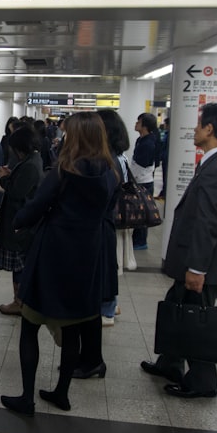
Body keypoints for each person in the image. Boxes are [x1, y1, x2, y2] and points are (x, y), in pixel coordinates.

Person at [0, 112, 118, 416]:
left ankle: (26, 397)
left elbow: (37, 205)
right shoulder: (109, 172)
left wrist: (18, 222)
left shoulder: (64, 171)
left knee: (30, 325)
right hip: (87, 256)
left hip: (52, 255)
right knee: (74, 329)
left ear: (75, 136)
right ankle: (61, 393)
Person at [141, 103, 217, 399]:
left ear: (210, 129)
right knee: (177, 304)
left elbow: (208, 223)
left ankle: (202, 381)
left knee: (199, 319)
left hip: (204, 264)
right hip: (198, 260)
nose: (195, 130)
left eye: (199, 125)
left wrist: (197, 269)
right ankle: (170, 362)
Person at [0, 124, 43, 317]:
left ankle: (20, 302)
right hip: (23, 221)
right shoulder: (34, 160)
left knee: (19, 265)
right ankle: (20, 300)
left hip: (19, 222)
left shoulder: (30, 165)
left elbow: (16, 192)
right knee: (21, 264)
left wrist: (5, 178)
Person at [97, 109, 133, 326]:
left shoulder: (108, 160)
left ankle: (108, 308)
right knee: (110, 263)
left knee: (108, 264)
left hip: (106, 220)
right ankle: (111, 304)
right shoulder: (117, 156)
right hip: (110, 218)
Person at [130, 113, 159, 251]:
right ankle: (137, 239)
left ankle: (141, 241)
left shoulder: (148, 143)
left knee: (142, 211)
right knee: (137, 210)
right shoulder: (141, 140)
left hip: (143, 181)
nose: (136, 124)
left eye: (138, 122)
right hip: (139, 179)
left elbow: (144, 165)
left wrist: (131, 178)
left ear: (145, 125)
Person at [157, 118, 169, 200]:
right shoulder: (166, 134)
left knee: (166, 176)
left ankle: (164, 193)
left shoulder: (169, 135)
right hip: (164, 158)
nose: (164, 125)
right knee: (164, 176)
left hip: (166, 159)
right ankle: (163, 192)